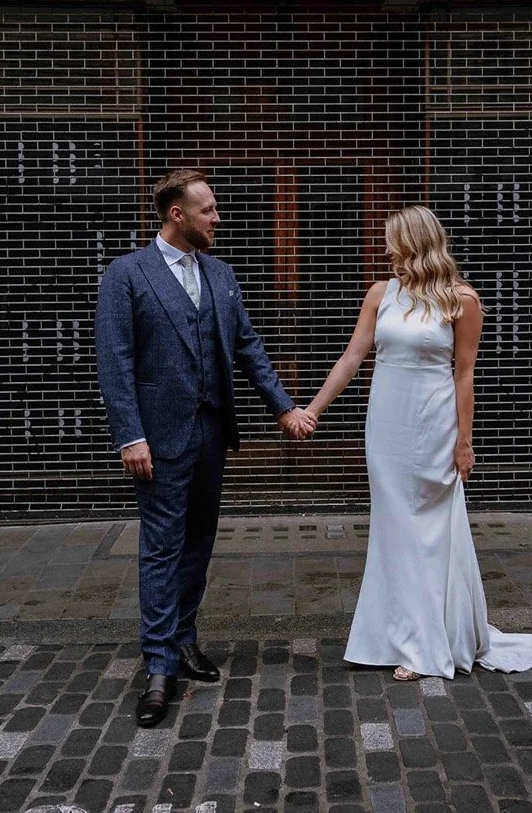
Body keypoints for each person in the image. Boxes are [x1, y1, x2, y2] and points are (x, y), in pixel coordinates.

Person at [95, 169, 315, 727]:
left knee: (198, 542)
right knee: (161, 547)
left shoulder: (220, 273)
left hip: (212, 434)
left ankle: (184, 636)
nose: (218, 218)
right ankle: (159, 665)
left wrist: (284, 408)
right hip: (158, 438)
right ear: (178, 214)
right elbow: (115, 362)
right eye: (208, 210)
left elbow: (248, 347)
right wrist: (130, 435)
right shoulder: (127, 274)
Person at [305, 205, 532, 680]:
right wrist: (313, 410)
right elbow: (352, 358)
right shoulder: (381, 293)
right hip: (386, 424)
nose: (387, 251)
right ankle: (390, 637)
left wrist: (465, 442)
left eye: (393, 243)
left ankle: (426, 645)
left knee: (428, 531)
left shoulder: (462, 300)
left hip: (433, 423)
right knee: (393, 528)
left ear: (416, 243)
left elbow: (464, 375)